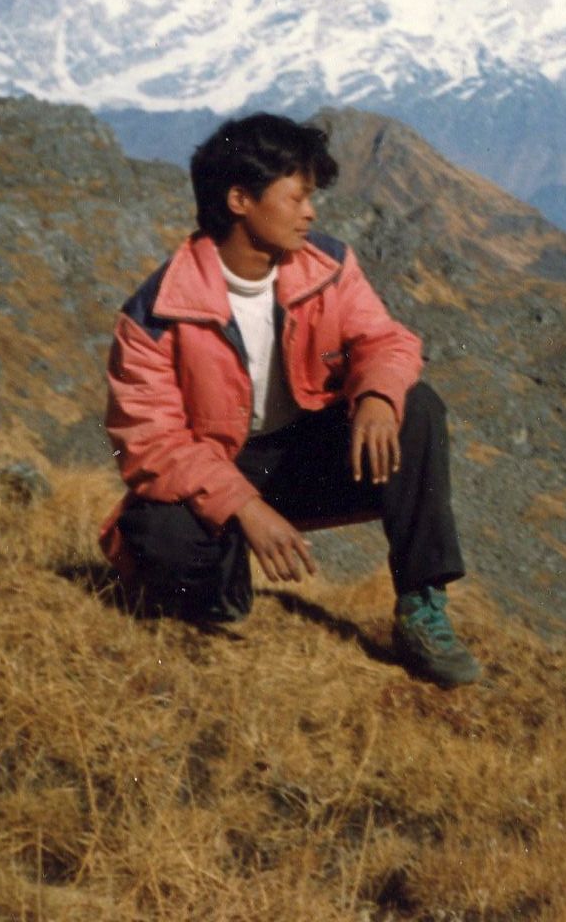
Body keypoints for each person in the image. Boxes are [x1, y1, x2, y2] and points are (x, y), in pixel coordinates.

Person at [97, 113, 481, 688]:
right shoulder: (156, 313)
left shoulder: (326, 266)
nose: (311, 212)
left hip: (303, 458)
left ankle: (422, 608)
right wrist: (244, 508)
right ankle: (221, 590)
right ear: (239, 200)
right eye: (297, 196)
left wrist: (376, 393)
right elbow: (150, 444)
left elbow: (385, 339)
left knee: (416, 409)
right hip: (220, 469)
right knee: (158, 535)